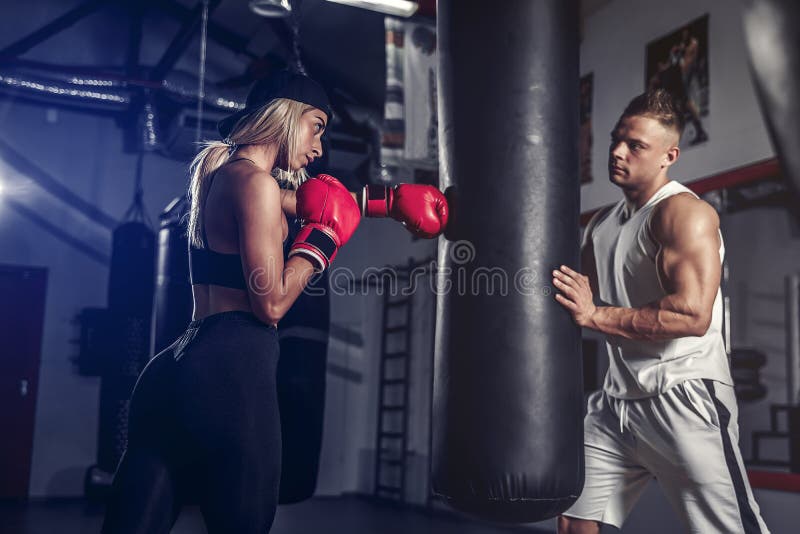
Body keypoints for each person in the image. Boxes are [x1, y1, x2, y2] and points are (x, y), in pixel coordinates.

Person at [101, 70, 448, 534]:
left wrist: (387, 201)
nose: (319, 148)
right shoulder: (257, 185)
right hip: (233, 370)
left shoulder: (220, 176)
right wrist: (321, 243)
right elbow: (272, 304)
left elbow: (312, 202)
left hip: (174, 368)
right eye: (317, 127)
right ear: (284, 116)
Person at [553, 89, 769, 533]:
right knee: (574, 520)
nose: (617, 152)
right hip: (616, 403)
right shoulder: (601, 226)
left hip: (683, 397)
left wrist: (595, 316)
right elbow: (572, 296)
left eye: (635, 145)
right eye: (616, 139)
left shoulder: (684, 214)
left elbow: (691, 315)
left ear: (669, 156)